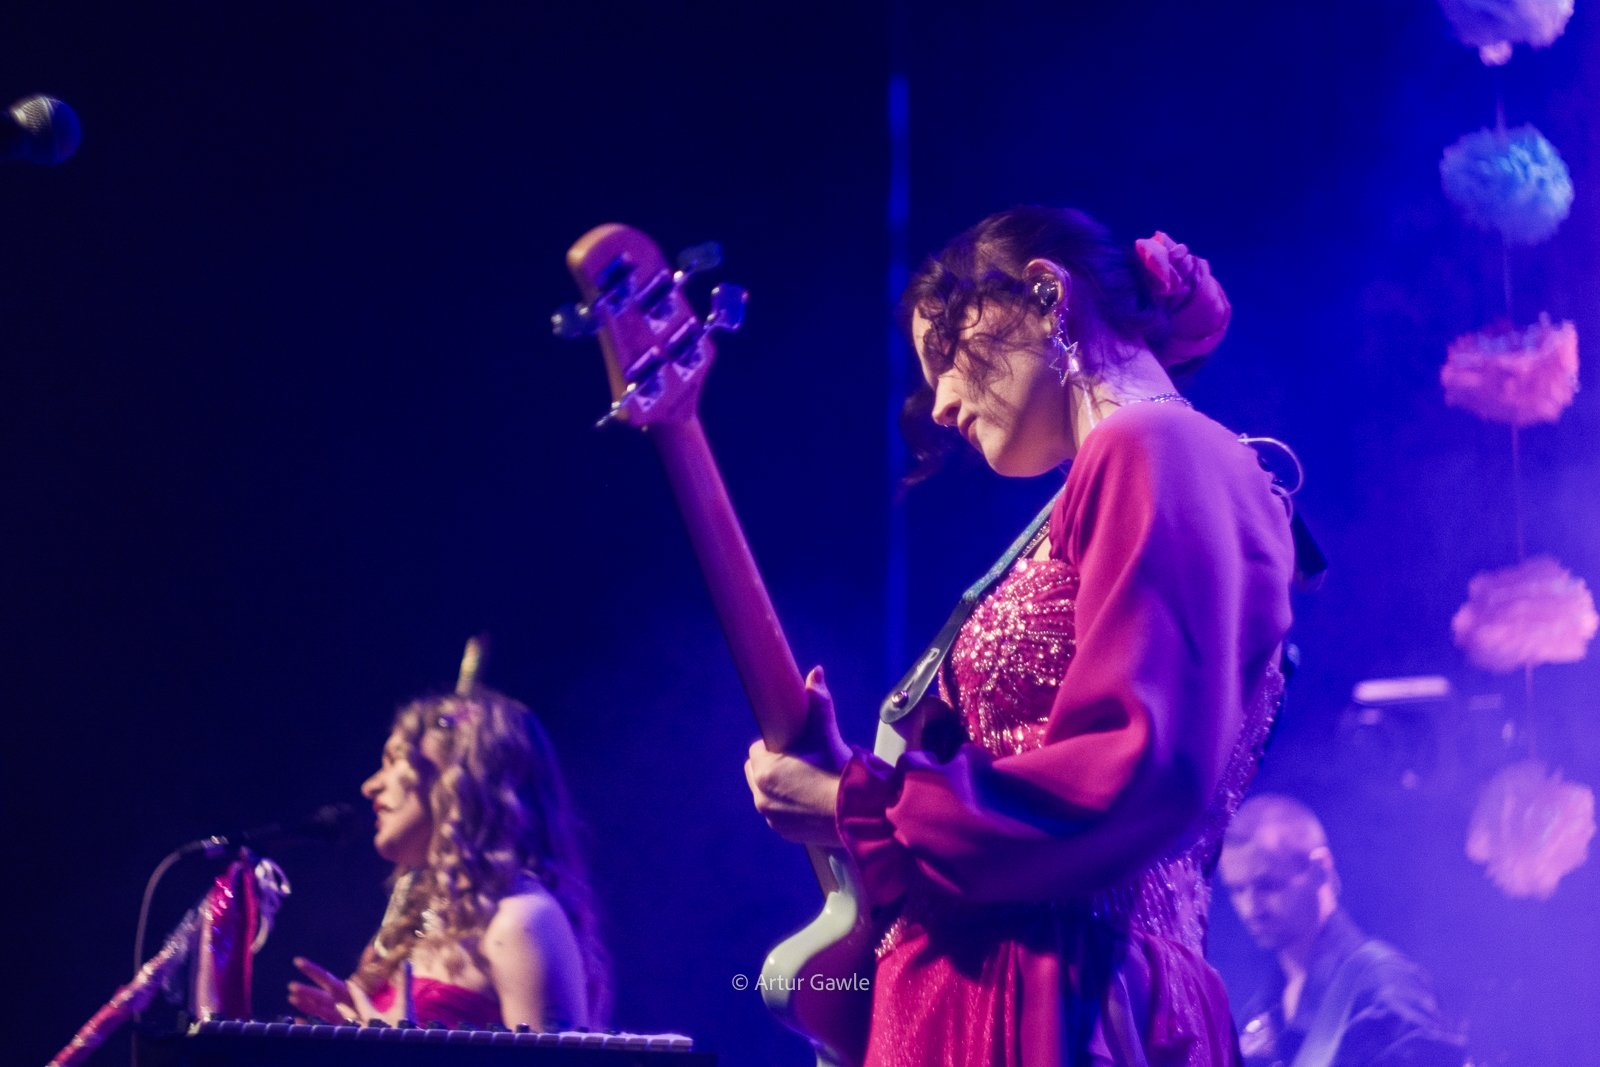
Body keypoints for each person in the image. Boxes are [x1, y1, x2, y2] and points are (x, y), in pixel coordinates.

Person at [746, 205, 1296, 1066]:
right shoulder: (1133, 464)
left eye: (944, 355)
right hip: (1034, 978)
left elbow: (1132, 768)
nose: (940, 403)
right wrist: (855, 781)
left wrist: (860, 802)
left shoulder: (1151, 444)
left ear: (1045, 294)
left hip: (1059, 994)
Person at [288, 682, 608, 1031]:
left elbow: (558, 1061)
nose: (370, 786)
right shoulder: (413, 925)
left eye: (393, 760)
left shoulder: (522, 919)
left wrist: (401, 1050)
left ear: (458, 778)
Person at [1218, 794, 1466, 1067]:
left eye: (1268, 885)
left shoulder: (1384, 989)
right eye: (1237, 890)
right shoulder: (1260, 1012)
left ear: (1319, 869)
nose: (1250, 908)